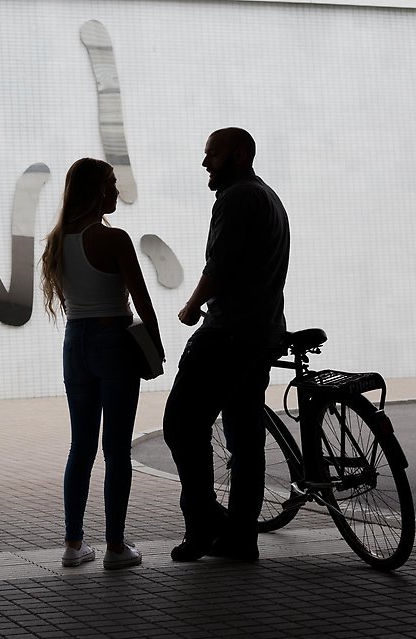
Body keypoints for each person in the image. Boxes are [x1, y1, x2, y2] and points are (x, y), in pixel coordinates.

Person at [163, 128, 290, 562]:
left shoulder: (236, 198)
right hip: (261, 333)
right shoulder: (268, 196)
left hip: (228, 332)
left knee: (181, 425)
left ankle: (203, 526)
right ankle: (240, 537)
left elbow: (219, 266)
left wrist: (191, 305)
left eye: (212, 154)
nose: (205, 163)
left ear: (239, 155)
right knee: (245, 439)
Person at [41, 157, 165, 570]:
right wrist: (156, 344)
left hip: (74, 342)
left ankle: (73, 545)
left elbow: (68, 300)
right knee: (116, 449)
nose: (117, 190)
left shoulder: (57, 240)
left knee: (81, 446)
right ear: (96, 190)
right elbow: (141, 299)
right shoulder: (114, 239)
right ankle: (115, 547)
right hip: (113, 340)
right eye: (111, 183)